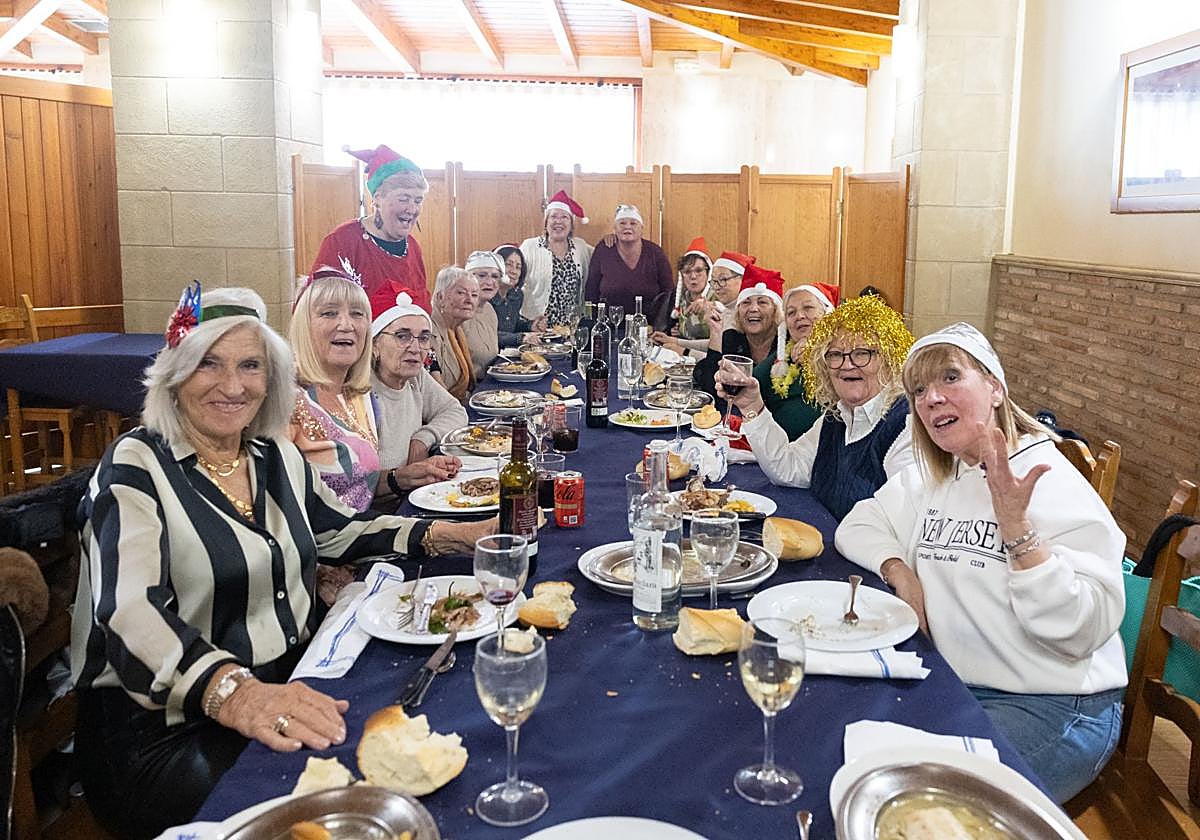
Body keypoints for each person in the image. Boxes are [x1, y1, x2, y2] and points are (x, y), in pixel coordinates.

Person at [69, 285, 494, 838]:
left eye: (251, 365)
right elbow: (131, 613)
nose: (233, 385)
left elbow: (343, 530)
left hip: (291, 681)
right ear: (173, 374)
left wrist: (458, 535)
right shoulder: (136, 466)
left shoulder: (272, 454)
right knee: (353, 807)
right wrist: (237, 693)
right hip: (168, 729)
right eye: (208, 365)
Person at [835, 322, 1126, 803]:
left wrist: (1019, 533)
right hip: (958, 686)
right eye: (920, 389)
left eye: (950, 378)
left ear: (994, 387)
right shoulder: (940, 476)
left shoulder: (1045, 478)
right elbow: (859, 523)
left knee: (922, 806)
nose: (931, 398)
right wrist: (899, 572)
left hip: (1053, 704)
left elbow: (1084, 627)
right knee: (845, 753)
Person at [717, 294, 915, 520]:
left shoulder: (905, 426)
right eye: (836, 355)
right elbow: (788, 468)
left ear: (890, 360)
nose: (847, 365)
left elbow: (900, 520)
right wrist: (751, 405)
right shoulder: (836, 417)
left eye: (862, 353)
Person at [287, 268, 380, 514]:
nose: (346, 324)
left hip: (366, 537)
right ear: (303, 326)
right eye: (329, 313)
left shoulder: (361, 395)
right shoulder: (286, 404)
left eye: (357, 314)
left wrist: (399, 478)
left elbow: (358, 486)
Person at [370, 292, 467, 509]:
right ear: (374, 344)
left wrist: (424, 438)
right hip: (376, 515)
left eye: (423, 338)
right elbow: (354, 485)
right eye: (402, 336)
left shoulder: (416, 376)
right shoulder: (361, 390)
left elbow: (454, 410)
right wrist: (402, 477)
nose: (415, 348)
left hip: (409, 497)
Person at [311, 145, 431, 314]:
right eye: (404, 199)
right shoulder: (343, 242)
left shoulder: (413, 247)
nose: (412, 209)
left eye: (418, 201)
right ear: (377, 198)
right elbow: (318, 310)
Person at [750, 282, 839, 440]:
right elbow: (751, 383)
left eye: (808, 308)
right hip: (780, 451)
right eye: (791, 313)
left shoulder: (844, 352)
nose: (799, 316)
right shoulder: (783, 357)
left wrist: (815, 357)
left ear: (827, 313)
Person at [693, 263, 784, 407]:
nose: (753, 308)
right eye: (746, 302)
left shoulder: (786, 345)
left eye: (762, 302)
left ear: (776, 312)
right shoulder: (733, 338)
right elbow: (710, 388)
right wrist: (716, 333)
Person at [584, 204, 674, 326]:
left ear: (642, 228)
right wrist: (594, 324)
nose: (627, 227)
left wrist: (665, 325)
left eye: (633, 223)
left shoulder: (655, 252)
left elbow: (668, 292)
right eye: (622, 223)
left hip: (649, 328)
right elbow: (591, 291)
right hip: (610, 326)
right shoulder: (603, 250)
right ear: (615, 228)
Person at [519, 190, 593, 327]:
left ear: (571, 224)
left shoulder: (581, 247)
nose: (558, 221)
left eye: (564, 217)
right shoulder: (530, 246)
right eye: (553, 217)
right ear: (546, 223)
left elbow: (604, 258)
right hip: (537, 327)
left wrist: (612, 239)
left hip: (572, 330)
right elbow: (513, 278)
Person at [649, 236, 712, 357]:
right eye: (687, 272)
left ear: (708, 273)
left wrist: (681, 348)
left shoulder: (716, 299)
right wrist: (667, 338)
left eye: (698, 271)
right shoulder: (680, 299)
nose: (693, 276)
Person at [429, 266, 480, 402]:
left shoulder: (456, 329)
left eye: (474, 295)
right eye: (461, 293)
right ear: (440, 297)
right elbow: (437, 395)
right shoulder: (428, 333)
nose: (469, 300)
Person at [459, 250, 504, 369]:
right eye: (482, 275)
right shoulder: (459, 312)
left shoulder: (490, 309)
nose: (489, 282)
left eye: (495, 276)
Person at [492, 243, 538, 348]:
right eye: (509, 264)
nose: (514, 271)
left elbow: (512, 325)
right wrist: (520, 338)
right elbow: (488, 335)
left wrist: (531, 326)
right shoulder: (485, 296)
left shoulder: (516, 295)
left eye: (518, 267)